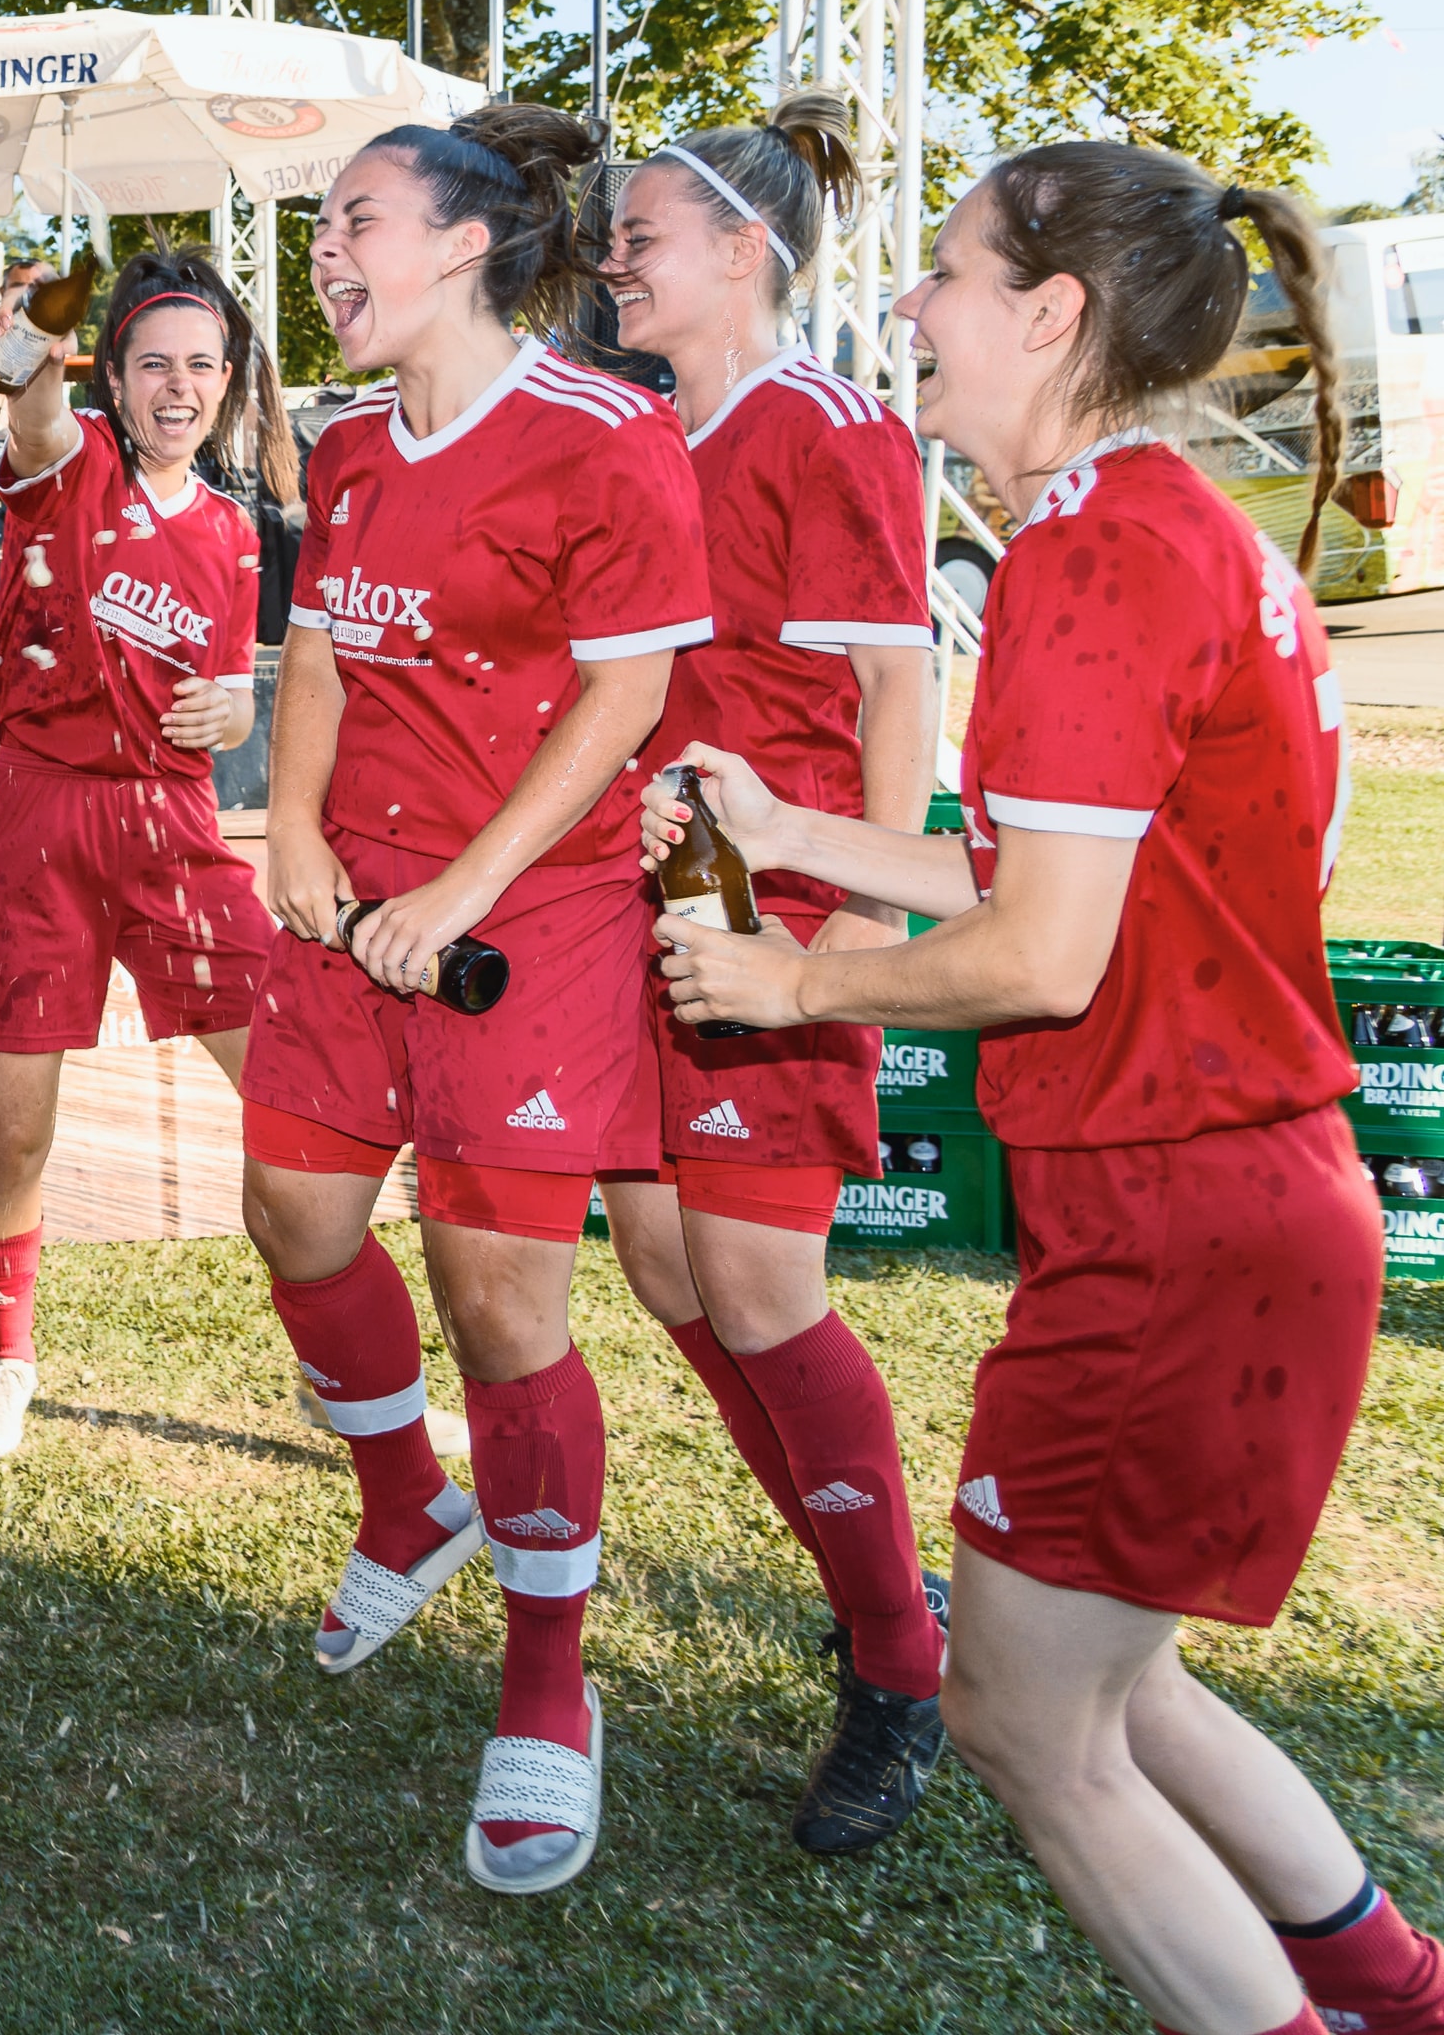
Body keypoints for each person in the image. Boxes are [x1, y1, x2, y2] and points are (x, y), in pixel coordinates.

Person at [658, 147, 1437, 2035]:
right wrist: (798, 825)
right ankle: (1397, 1993)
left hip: (1174, 1215)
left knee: (1024, 1720)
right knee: (1123, 1688)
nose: (910, 310)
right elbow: (1048, 868)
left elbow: (1042, 956)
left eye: (944, 273)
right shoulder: (1175, 527)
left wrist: (792, 976)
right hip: (1233, 1192)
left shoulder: (1097, 550)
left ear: (1052, 316)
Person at [239, 102, 708, 1898]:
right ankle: (402, 1504)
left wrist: (465, 891)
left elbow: (626, 698)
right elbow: (318, 645)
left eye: (356, 220)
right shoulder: (349, 443)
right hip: (356, 900)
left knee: (500, 1302)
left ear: (460, 246)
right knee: (294, 1217)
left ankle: (546, 1680)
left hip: (536, 911)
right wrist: (291, 821)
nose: (329, 255)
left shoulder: (606, 433)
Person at [592, 93, 952, 1856]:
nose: (614, 260)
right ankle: (872, 1576)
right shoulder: (658, 429)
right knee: (667, 1253)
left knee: (754, 1280)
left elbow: (899, 691)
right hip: (659, 900)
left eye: (643, 235)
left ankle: (898, 1662)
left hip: (780, 907)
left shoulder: (832, 430)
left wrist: (857, 935)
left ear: (743, 253)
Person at [0, 245, 288, 1459]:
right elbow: (33, 411)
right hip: (42, 820)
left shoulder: (238, 532)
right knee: (14, 1128)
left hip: (175, 829)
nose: (178, 386)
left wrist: (239, 711)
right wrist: (36, 342)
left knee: (296, 1096)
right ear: (118, 376)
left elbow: (234, 686)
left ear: (230, 376)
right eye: (153, 363)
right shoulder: (75, 460)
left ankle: (328, 1350)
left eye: (200, 364)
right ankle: (8, 1357)